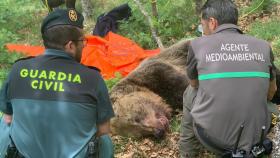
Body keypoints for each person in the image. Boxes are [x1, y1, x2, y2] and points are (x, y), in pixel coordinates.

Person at [0, 8, 114, 158]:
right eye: (82, 41)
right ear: (70, 46)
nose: (84, 45)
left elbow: (8, 118)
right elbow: (103, 130)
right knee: (105, 140)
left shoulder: (18, 70)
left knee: (4, 123)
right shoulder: (93, 78)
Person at [179, 0, 278, 157]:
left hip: (214, 141)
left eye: (202, 25)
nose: (202, 30)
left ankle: (187, 153)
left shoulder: (197, 45)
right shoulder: (263, 46)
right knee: (270, 105)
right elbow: (272, 91)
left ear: (212, 22)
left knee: (190, 92)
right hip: (259, 135)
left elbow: (194, 83)